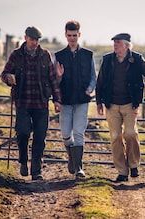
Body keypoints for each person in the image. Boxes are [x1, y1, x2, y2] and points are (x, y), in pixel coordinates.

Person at [96, 33, 145, 182]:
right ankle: (122, 171)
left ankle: (133, 165)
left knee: (131, 133)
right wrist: (99, 102)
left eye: (118, 43)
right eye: (114, 43)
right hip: (111, 104)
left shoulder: (137, 59)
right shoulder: (107, 60)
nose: (115, 45)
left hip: (129, 104)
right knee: (115, 137)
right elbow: (100, 81)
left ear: (126, 45)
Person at [1, 26, 61, 181]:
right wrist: (8, 78)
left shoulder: (45, 55)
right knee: (22, 133)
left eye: (37, 40)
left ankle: (36, 170)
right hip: (22, 101)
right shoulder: (16, 55)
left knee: (40, 137)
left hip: (41, 102)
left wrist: (57, 99)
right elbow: (4, 73)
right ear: (25, 37)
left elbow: (53, 78)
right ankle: (22, 161)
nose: (34, 42)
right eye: (32, 39)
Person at [55, 20, 96, 178]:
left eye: (75, 35)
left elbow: (93, 76)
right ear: (65, 35)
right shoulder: (59, 56)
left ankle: (78, 167)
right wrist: (58, 77)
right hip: (65, 100)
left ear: (79, 34)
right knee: (66, 134)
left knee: (78, 132)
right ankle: (72, 158)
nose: (72, 38)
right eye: (69, 35)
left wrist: (90, 88)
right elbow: (54, 81)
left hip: (82, 99)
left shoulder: (88, 55)